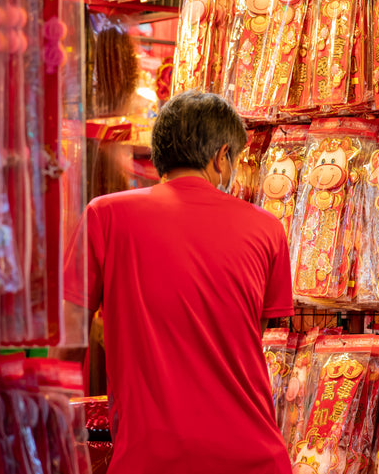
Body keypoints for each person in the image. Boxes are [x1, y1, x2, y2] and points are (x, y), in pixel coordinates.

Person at [62, 90, 293, 474]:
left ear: (159, 154)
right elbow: (252, 335)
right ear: (222, 157)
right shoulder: (267, 228)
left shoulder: (105, 216)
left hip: (150, 457)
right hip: (254, 456)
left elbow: (69, 339)